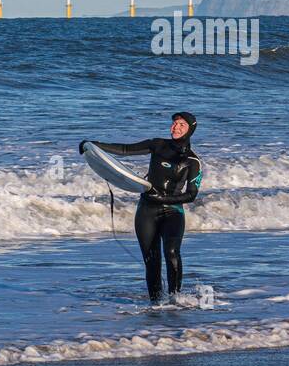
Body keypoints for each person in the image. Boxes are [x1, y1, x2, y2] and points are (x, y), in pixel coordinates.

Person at [79, 111, 203, 304]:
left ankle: (175, 299)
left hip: (173, 211)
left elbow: (191, 194)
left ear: (190, 130)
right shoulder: (157, 144)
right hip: (146, 210)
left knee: (171, 253)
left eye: (181, 125)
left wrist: (163, 198)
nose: (175, 128)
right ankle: (156, 303)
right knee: (151, 260)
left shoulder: (193, 161)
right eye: (174, 124)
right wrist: (93, 146)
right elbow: (125, 149)